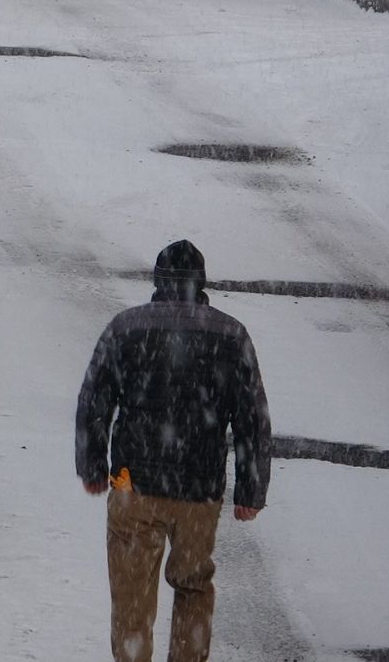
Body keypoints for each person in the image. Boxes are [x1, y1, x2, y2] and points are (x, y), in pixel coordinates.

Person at [75, 239, 271, 662]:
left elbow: (94, 401)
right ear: (201, 283)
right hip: (199, 492)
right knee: (193, 585)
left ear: (157, 281)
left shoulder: (126, 327)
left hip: (134, 486)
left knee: (132, 598)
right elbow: (252, 416)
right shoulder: (231, 334)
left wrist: (93, 466)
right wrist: (250, 492)